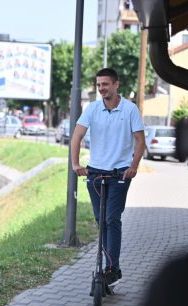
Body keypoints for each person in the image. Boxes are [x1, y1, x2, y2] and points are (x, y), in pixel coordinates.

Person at [70, 68, 145, 287]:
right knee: (100, 221)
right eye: (99, 85)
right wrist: (76, 164)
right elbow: (77, 136)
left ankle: (113, 268)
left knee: (112, 219)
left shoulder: (129, 109)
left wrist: (133, 166)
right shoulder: (92, 109)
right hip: (94, 173)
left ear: (116, 85)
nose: (102, 88)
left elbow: (140, 141)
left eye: (105, 84)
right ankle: (107, 266)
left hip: (120, 174)